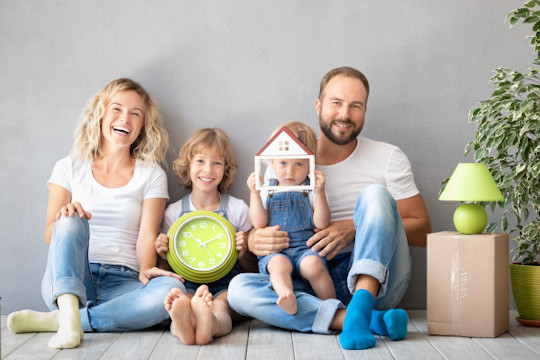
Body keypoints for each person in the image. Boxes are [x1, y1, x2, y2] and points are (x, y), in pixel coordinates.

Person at [228, 67, 431, 350]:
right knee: (238, 290)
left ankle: (362, 305)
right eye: (336, 103)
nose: (344, 114)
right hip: (308, 279)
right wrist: (252, 239)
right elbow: (259, 223)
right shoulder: (290, 163)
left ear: (364, 110)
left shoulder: (388, 157)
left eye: (355, 106)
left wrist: (354, 227)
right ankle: (360, 320)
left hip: (376, 280)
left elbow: (422, 229)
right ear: (319, 105)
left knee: (374, 194)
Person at [7, 78, 184, 349]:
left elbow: (147, 235)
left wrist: (149, 269)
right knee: (68, 219)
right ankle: (68, 311)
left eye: (136, 113)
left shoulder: (151, 174)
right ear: (100, 114)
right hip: (72, 278)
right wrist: (67, 216)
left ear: (142, 126)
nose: (125, 118)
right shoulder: (68, 167)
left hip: (124, 282)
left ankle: (64, 322)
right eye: (117, 108)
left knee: (173, 293)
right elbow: (49, 235)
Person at [155, 128, 256, 345]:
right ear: (188, 165)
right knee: (183, 301)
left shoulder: (237, 209)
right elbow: (167, 271)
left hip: (228, 283)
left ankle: (210, 324)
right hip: (187, 283)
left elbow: (253, 270)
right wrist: (163, 255)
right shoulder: (173, 212)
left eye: (217, 163)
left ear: (225, 169)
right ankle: (183, 324)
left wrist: (244, 252)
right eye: (200, 161)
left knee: (221, 306)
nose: (207, 170)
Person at [247, 122, 333, 315]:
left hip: (305, 247)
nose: (290, 172)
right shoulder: (268, 187)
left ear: (310, 163)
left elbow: (322, 223)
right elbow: (259, 223)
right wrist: (254, 194)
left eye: (299, 164)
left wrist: (320, 194)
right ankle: (287, 297)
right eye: (283, 163)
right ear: (272, 163)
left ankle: (332, 306)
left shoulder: (311, 187)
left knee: (314, 265)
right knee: (278, 265)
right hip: (277, 250)